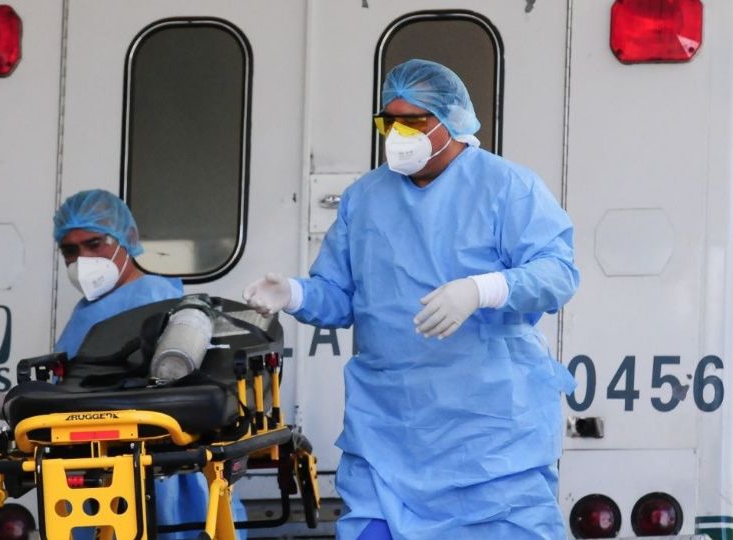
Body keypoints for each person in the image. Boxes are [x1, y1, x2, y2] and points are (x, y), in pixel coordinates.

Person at [243, 59, 580, 539]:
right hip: (389, 432)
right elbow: (341, 297)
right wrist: (294, 293)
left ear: (452, 120)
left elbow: (558, 272)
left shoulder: (507, 187)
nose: (398, 133)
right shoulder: (365, 198)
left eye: (414, 122)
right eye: (389, 121)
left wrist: (481, 289)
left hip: (489, 439)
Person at [0, 189, 239, 539]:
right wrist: (11, 404)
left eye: (94, 244)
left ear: (129, 239)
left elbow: (151, 384)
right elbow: (78, 384)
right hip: (94, 466)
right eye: (70, 251)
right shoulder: (89, 311)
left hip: (155, 465)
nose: (83, 259)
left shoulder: (155, 296)